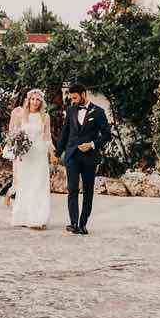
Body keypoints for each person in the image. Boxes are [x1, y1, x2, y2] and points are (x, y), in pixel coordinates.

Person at [55, 83, 111, 236]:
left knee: (88, 191)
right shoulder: (71, 109)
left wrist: (92, 144)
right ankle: (73, 223)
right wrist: (58, 152)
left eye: (75, 97)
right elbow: (65, 133)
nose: (72, 100)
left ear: (83, 94)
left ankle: (83, 224)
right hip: (72, 155)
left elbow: (107, 135)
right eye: (71, 98)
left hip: (89, 157)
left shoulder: (98, 112)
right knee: (72, 189)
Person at [7, 89, 53, 230]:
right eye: (32, 99)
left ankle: (38, 218)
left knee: (39, 185)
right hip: (25, 156)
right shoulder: (21, 114)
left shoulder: (45, 117)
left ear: (41, 102)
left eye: (38, 100)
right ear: (28, 100)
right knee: (25, 184)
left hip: (39, 154)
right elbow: (13, 133)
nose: (35, 102)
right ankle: (23, 216)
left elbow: (47, 137)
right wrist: (14, 148)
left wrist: (52, 152)